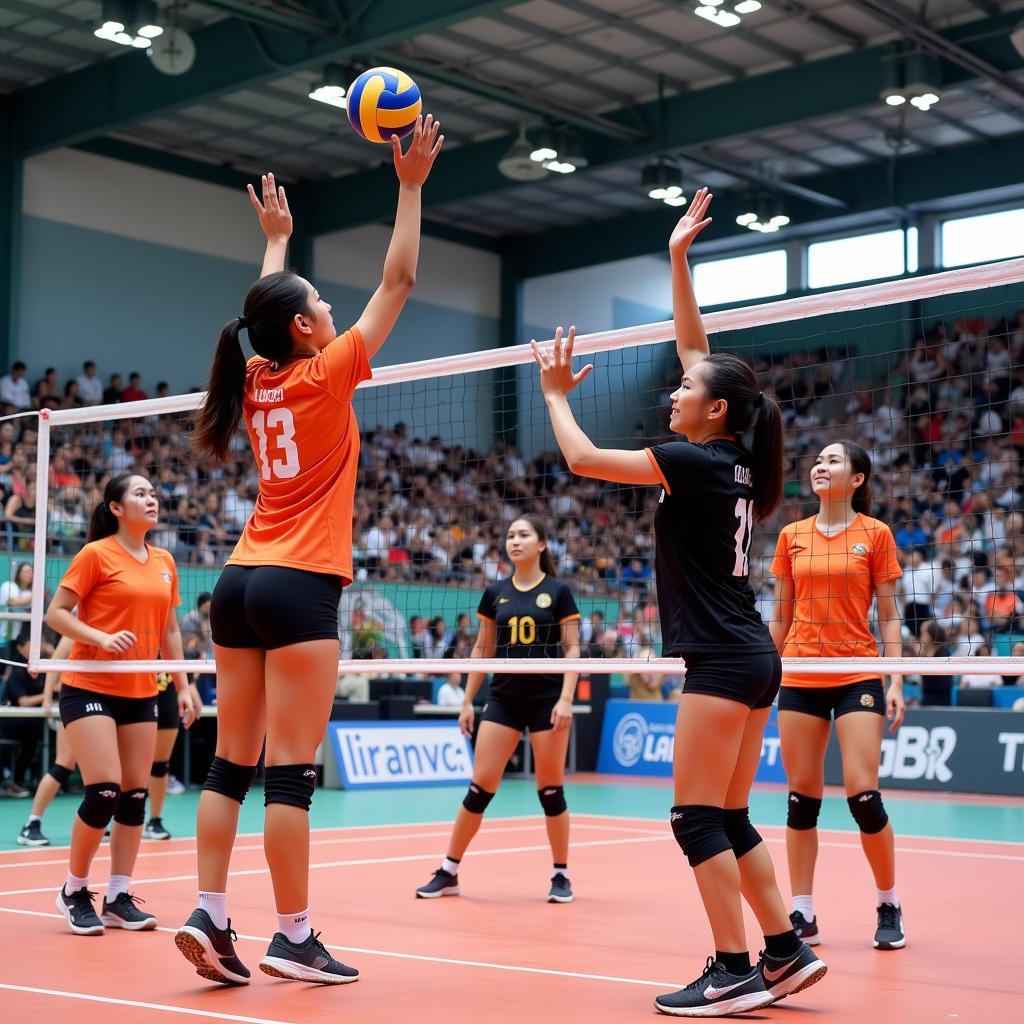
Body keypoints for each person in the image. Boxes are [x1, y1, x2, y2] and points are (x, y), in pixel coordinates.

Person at [530, 188, 825, 1016]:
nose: (671, 394)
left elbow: (585, 459)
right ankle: (783, 951)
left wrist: (554, 393)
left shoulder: (691, 463)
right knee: (729, 815)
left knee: (693, 816)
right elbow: (698, 352)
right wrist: (677, 261)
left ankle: (732, 967)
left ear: (715, 409)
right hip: (750, 653)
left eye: (683, 392)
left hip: (726, 659)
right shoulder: (734, 456)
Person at [176, 115, 443, 987]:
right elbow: (398, 277)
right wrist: (409, 184)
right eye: (319, 304)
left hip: (239, 579)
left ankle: (211, 913)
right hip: (298, 586)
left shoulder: (253, 376)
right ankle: (293, 936)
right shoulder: (326, 372)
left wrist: (277, 245)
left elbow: (266, 313)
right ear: (303, 328)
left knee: (228, 762)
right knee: (289, 777)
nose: (332, 308)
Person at [45, 473, 202, 935]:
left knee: (135, 794)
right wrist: (101, 638)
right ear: (116, 508)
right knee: (105, 789)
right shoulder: (95, 554)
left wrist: (183, 685)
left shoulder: (165, 561)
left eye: (154, 493)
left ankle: (117, 894)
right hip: (89, 684)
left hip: (141, 690)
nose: (151, 499)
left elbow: (171, 631)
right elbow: (57, 613)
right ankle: (74, 890)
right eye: (140, 493)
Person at [770, 441, 907, 953]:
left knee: (863, 794)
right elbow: (780, 615)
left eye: (833, 461)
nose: (820, 466)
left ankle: (888, 902)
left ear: (857, 479)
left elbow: (890, 615)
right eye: (818, 461)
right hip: (801, 671)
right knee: (801, 797)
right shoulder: (791, 535)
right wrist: (768, 672)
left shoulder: (875, 535)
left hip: (857, 672)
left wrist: (895, 679)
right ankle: (802, 912)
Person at [416, 516, 581, 902]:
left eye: (523, 535)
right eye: (510, 535)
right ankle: (449, 871)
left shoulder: (558, 592)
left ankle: (561, 874)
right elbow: (482, 649)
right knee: (479, 788)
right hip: (504, 699)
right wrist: (468, 702)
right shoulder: (495, 593)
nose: (515, 541)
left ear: (541, 544)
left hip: (547, 699)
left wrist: (566, 698)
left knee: (550, 791)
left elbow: (573, 648)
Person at [18, 636, 76, 847]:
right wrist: (46, 698)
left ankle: (99, 821)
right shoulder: (75, 632)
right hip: (77, 702)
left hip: (107, 702)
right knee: (64, 764)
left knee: (99, 771)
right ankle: (32, 824)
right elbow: (54, 664)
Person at [143, 671, 185, 841]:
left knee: (160, 765)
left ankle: (154, 820)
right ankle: (114, 818)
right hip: (136, 688)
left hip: (166, 689)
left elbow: (177, 658)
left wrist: (186, 689)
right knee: (128, 762)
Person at [0, 562, 34, 662]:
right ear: (19, 573)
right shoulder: (9, 586)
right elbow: (11, 601)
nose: (29, 574)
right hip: (4, 636)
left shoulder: (30, 592)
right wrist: (37, 597)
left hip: (20, 638)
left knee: (12, 668)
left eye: (31, 572)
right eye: (26, 571)